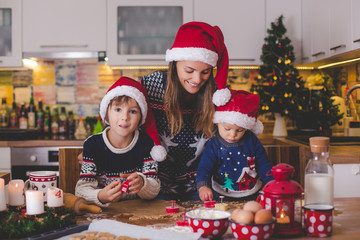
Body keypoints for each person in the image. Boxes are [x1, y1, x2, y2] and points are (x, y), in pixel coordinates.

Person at [141, 21, 231, 200]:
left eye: (205, 72)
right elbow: (124, 114)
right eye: (189, 70)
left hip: (202, 185)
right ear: (175, 64)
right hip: (155, 185)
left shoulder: (218, 92)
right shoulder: (151, 86)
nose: (197, 79)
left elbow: (234, 129)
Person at [75, 77, 166, 207]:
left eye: (133, 111)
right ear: (106, 113)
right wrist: (100, 196)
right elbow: (81, 190)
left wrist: (142, 183)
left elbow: (154, 189)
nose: (125, 117)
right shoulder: (92, 145)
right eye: (118, 110)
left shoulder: (146, 143)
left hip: (138, 210)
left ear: (141, 117)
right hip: (106, 212)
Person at [196, 90, 274, 202]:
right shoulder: (214, 144)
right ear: (217, 123)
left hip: (252, 193)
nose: (233, 134)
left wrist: (272, 182)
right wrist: (203, 186)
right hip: (221, 194)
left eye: (240, 130)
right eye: (227, 129)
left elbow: (264, 164)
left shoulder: (252, 140)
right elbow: (204, 168)